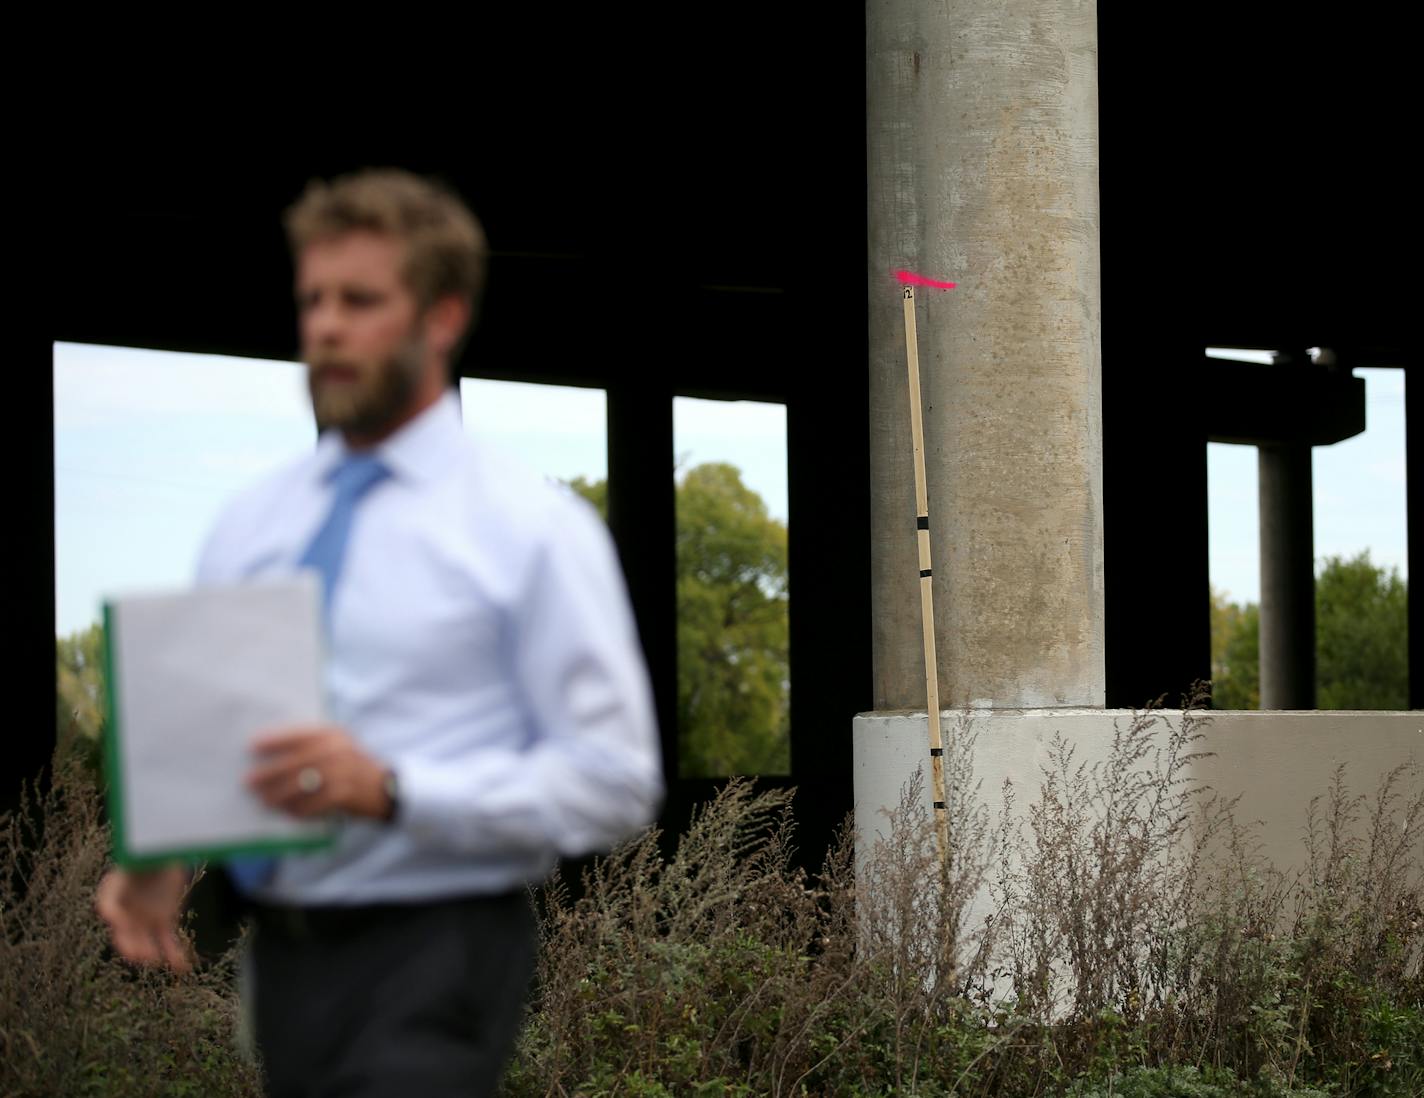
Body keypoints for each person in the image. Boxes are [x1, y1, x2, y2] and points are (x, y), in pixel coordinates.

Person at [95, 168, 664, 1097]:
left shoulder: (531, 529)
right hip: (284, 957)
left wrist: (395, 789)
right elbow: (210, 724)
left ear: (441, 317)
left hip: (439, 947)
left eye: (359, 300)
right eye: (313, 300)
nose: (325, 326)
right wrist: (158, 856)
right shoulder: (251, 522)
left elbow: (615, 779)